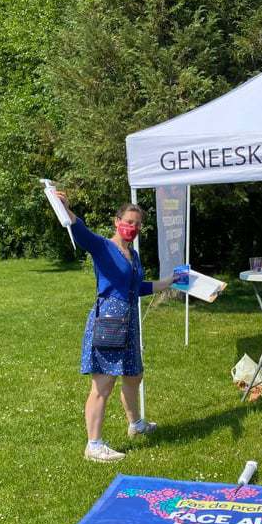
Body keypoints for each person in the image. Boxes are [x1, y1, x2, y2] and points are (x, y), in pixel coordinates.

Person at [57, 194, 173, 463]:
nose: (132, 227)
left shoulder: (132, 255)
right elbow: (81, 233)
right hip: (109, 321)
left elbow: (137, 287)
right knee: (104, 383)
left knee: (134, 375)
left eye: (138, 224)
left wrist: (169, 282)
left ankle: (136, 424)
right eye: (129, 222)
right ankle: (94, 445)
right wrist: (67, 209)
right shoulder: (104, 247)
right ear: (117, 221)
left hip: (130, 322)